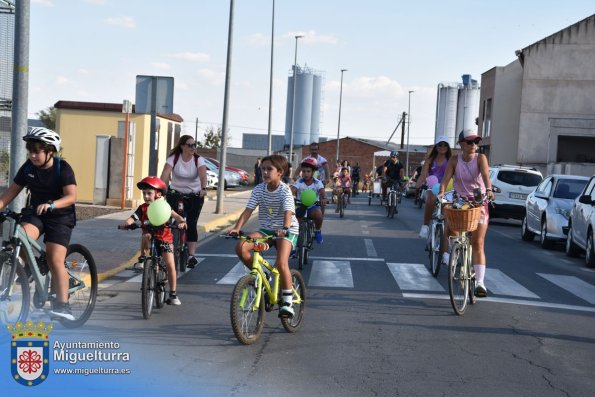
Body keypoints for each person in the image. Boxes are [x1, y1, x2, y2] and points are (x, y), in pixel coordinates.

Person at [0, 127, 76, 320]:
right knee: (21, 238)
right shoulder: (28, 168)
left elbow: (71, 197)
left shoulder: (62, 168)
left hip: (60, 217)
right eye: (30, 151)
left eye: (37, 151)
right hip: (36, 214)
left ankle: (64, 306)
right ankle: (37, 266)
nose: (33, 155)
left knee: (55, 259)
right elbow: (12, 191)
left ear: (50, 151)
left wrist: (52, 204)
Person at [229, 154, 299, 318]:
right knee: (241, 246)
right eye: (263, 169)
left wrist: (285, 228)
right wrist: (236, 228)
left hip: (287, 230)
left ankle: (287, 302)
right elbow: (248, 211)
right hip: (267, 230)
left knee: (281, 264)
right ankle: (262, 273)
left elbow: (288, 212)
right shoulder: (259, 189)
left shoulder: (285, 190)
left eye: (269, 169)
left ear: (280, 172)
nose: (265, 172)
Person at [438, 129, 494, 297]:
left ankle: (479, 283)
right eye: (469, 142)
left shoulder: (481, 158)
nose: (473, 145)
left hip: (478, 202)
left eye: (476, 142)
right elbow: (445, 180)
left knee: (478, 242)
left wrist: (489, 190)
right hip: (459, 201)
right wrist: (441, 193)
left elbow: (485, 176)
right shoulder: (455, 160)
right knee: (452, 229)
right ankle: (454, 252)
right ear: (461, 144)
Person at [119, 176, 187, 305]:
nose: (145, 196)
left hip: (165, 238)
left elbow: (176, 216)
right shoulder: (143, 208)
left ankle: (173, 294)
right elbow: (133, 218)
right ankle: (143, 258)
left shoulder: (164, 206)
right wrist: (126, 224)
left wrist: (182, 222)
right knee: (145, 236)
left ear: (158, 194)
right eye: (144, 193)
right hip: (150, 236)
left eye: (149, 193)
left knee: (170, 264)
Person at [159, 135, 208, 269]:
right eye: (190, 145)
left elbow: (203, 176)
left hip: (194, 195)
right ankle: (166, 250)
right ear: (182, 146)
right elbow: (164, 175)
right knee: (169, 221)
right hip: (175, 193)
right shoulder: (173, 159)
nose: (193, 148)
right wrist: (161, 190)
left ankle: (191, 255)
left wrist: (203, 189)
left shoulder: (198, 160)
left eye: (194, 145)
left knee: (191, 223)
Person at [417, 136, 452, 238]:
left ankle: (448, 237)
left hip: (447, 189)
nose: (442, 147)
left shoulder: (451, 160)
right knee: (431, 199)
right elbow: (423, 174)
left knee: (449, 207)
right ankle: (425, 226)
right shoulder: (430, 160)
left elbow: (456, 175)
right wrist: (418, 184)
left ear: (448, 147)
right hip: (432, 188)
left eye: (445, 145)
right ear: (436, 146)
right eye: (440, 144)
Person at [291, 158, 325, 244]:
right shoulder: (299, 182)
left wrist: (323, 199)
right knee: (294, 226)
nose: (305, 174)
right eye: (304, 171)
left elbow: (322, 192)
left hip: (313, 206)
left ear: (313, 172)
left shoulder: (318, 183)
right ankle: (293, 247)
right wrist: (289, 196)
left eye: (308, 171)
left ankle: (317, 230)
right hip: (300, 206)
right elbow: (293, 190)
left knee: (318, 214)